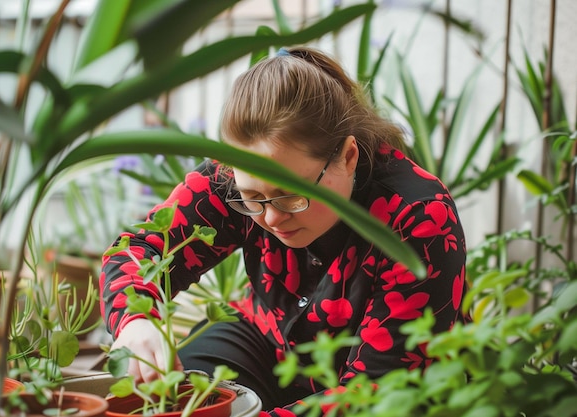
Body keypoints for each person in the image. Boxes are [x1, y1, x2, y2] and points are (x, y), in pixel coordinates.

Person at [100, 45, 468, 416]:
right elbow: (138, 248)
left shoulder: (418, 215)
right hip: (264, 337)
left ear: (348, 156)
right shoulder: (234, 171)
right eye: (251, 197)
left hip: (365, 381)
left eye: (291, 196)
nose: (272, 218)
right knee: (174, 403)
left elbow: (379, 391)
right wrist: (134, 321)